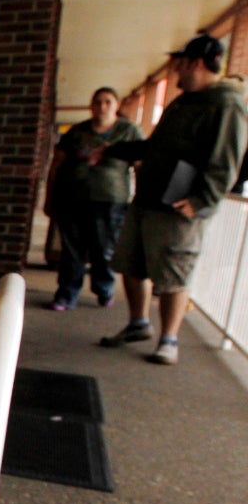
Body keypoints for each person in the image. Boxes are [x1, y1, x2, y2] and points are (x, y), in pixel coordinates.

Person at [96, 34, 248, 364]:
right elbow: (155, 146)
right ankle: (139, 324)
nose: (177, 70)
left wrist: (202, 199)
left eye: (181, 63)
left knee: (173, 274)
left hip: (180, 206)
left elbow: (228, 158)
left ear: (195, 63)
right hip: (149, 198)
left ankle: (169, 340)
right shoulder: (183, 102)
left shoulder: (227, 103)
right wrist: (112, 151)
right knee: (131, 263)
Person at [43, 87, 145, 310]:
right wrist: (50, 197)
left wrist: (140, 198)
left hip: (110, 201)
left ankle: (104, 289)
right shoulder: (77, 132)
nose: (102, 107)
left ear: (116, 105)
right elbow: (57, 163)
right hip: (73, 198)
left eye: (108, 102)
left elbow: (140, 165)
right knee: (72, 250)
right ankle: (66, 294)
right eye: (97, 102)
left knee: (104, 250)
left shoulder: (129, 132)